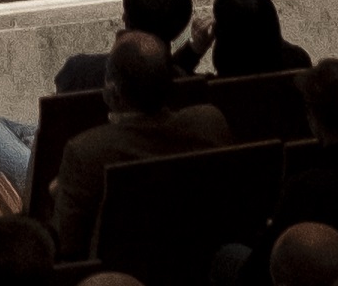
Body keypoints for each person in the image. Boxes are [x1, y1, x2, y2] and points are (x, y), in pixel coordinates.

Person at [42, 32, 233, 257]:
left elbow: (66, 247)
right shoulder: (210, 122)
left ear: (113, 92)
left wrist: (57, 195)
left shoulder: (87, 151)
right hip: (198, 262)